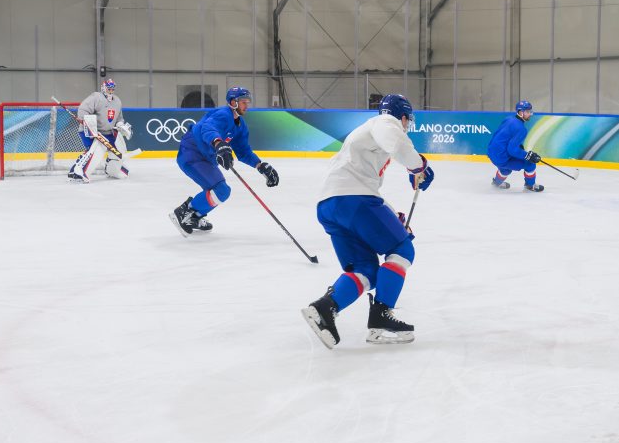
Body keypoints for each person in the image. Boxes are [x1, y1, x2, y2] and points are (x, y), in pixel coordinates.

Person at [301, 93, 434, 349]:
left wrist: (393, 217)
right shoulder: (385, 122)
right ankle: (381, 317)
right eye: (407, 120)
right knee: (402, 249)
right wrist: (419, 167)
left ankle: (324, 309)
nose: (407, 125)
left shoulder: (366, 138)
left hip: (330, 205)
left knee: (366, 269)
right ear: (402, 116)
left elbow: (365, 188)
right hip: (354, 200)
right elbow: (397, 143)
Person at [168, 86, 279, 236]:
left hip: (205, 158)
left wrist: (260, 165)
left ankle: (194, 216)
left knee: (223, 191)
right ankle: (184, 212)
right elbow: (207, 128)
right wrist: (218, 143)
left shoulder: (241, 126)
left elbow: (243, 151)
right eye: (243, 102)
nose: (247, 106)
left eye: (248, 102)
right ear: (233, 102)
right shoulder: (223, 114)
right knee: (220, 190)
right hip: (192, 152)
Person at [67, 78, 133, 182]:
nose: (111, 91)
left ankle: (112, 169)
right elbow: (83, 109)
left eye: (112, 89)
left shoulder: (117, 101)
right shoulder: (96, 97)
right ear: (103, 88)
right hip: (89, 131)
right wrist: (88, 123)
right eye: (109, 89)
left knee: (117, 151)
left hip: (108, 132)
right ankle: (77, 171)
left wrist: (120, 125)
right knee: (94, 151)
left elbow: (119, 118)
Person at [486, 100, 543, 192]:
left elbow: (501, 136)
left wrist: (519, 147)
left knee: (505, 170)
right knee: (530, 164)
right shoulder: (521, 129)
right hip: (502, 158)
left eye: (530, 111)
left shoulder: (508, 119)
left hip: (492, 153)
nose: (530, 114)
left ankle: (497, 183)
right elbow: (512, 150)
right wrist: (527, 155)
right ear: (520, 112)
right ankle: (530, 185)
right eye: (527, 112)